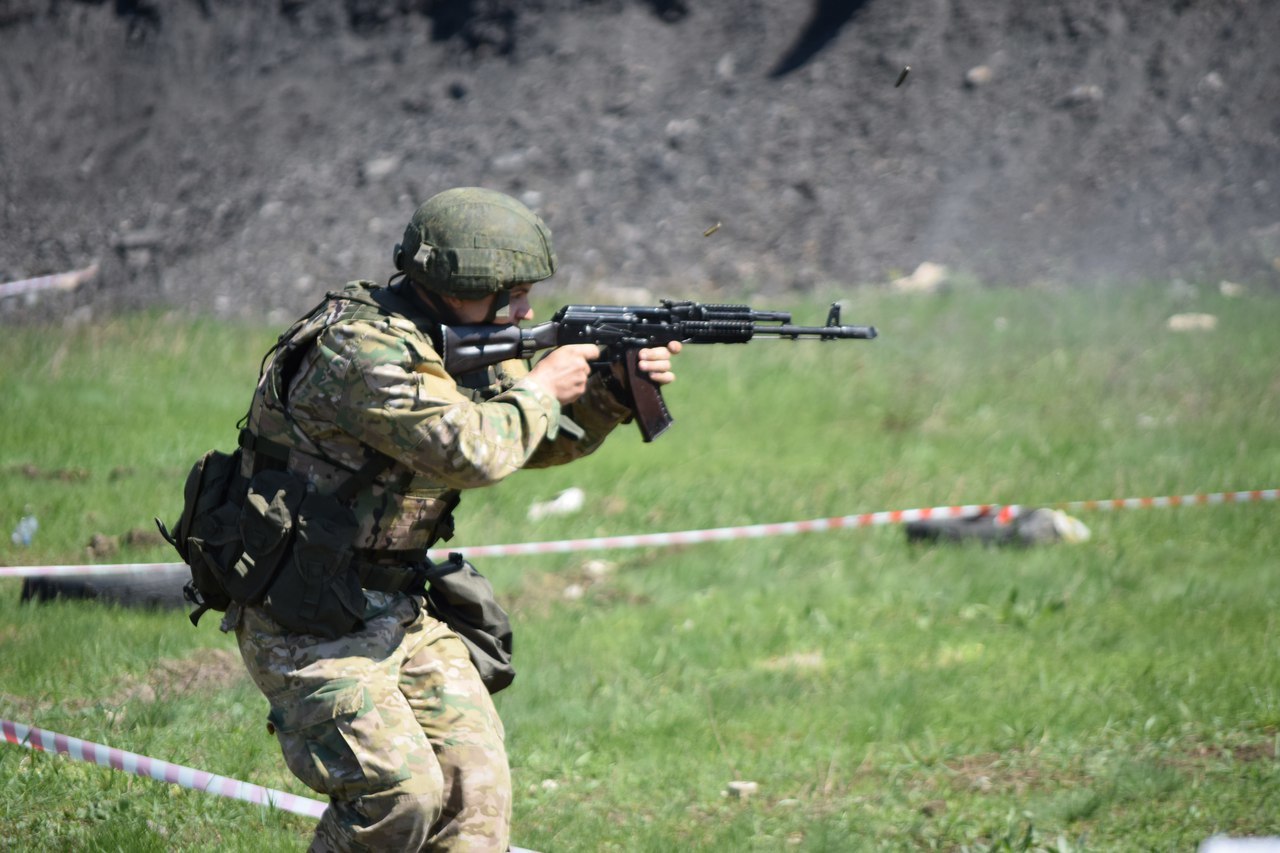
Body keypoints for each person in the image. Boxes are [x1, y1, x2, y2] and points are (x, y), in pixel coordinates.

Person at [229, 187, 681, 851]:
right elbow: (473, 450)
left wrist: (611, 390)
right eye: (514, 291)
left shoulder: (470, 340)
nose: (527, 308)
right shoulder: (361, 350)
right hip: (301, 610)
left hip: (396, 603)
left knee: (476, 792)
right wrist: (541, 383)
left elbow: (534, 438)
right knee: (398, 794)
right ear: (463, 285)